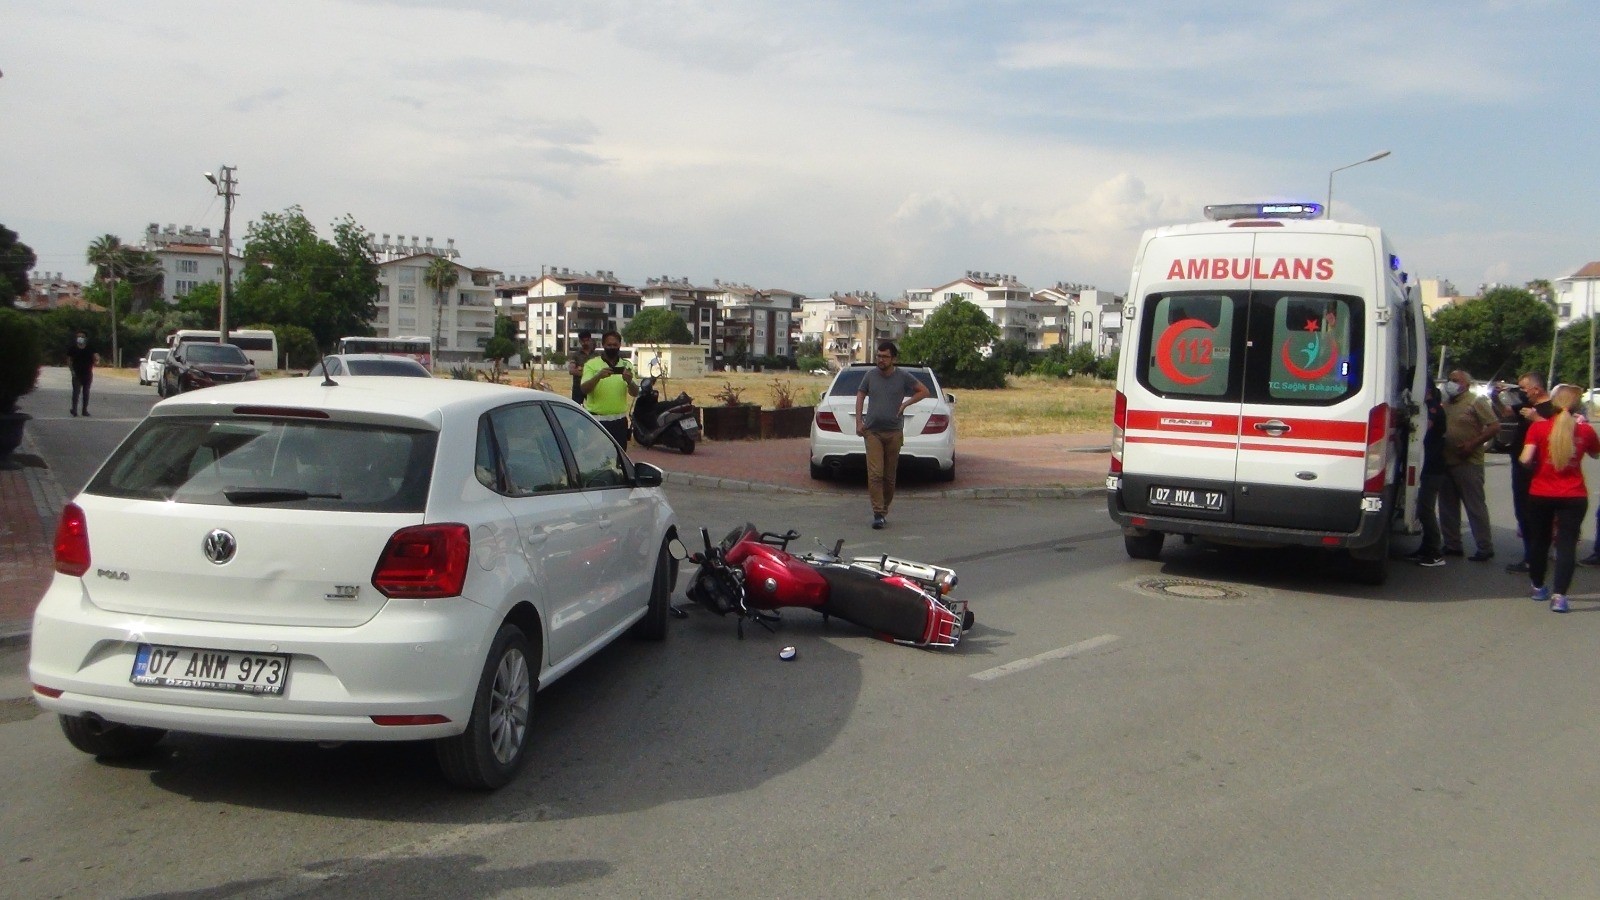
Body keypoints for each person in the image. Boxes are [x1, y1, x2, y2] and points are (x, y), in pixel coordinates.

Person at [1518, 384, 1600, 613]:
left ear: (1554, 404)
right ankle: (1560, 596)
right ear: (1578, 405)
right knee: (1566, 545)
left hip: (1541, 492)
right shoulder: (1585, 431)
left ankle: (1537, 586)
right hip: (1573, 494)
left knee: (1539, 541)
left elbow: (1525, 459)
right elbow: (1595, 453)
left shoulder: (1539, 428)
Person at [854, 341, 929, 529]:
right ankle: (878, 512)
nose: (880, 360)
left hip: (894, 432)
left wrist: (905, 404)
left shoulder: (903, 376)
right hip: (872, 432)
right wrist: (859, 422)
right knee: (875, 473)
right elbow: (861, 395)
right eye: (878, 356)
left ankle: (884, 508)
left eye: (885, 356)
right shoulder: (870, 376)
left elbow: (924, 391)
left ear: (893, 358)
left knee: (889, 476)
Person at [1438, 369, 1500, 561]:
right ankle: (1452, 544)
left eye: (1456, 380)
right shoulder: (1447, 404)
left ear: (1466, 383)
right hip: (1446, 460)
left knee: (1475, 507)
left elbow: (1494, 426)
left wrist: (1472, 444)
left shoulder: (1475, 401)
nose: (1451, 383)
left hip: (1468, 461)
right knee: (1447, 507)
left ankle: (1484, 546)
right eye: (1450, 380)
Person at [1501, 372, 1553, 574]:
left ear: (1536, 389)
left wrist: (1537, 419)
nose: (1521, 393)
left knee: (1532, 514)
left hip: (1535, 469)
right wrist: (1501, 396)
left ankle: (1534, 558)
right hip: (1521, 466)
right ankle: (1531, 555)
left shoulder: (1549, 410)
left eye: (1523, 389)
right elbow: (1505, 411)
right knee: (1523, 513)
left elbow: (1555, 434)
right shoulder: (1527, 407)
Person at [1403, 382, 1448, 566]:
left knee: (1425, 509)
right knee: (1422, 508)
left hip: (1433, 466)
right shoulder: (1429, 407)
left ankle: (1435, 552)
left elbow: (1424, 427)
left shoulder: (1433, 408)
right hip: (1428, 464)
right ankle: (1425, 548)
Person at [581, 330, 638, 448]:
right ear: (603, 345)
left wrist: (629, 381)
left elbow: (635, 392)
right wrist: (598, 377)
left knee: (619, 459)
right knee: (596, 459)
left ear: (619, 345)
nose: (612, 347)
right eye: (609, 345)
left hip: (619, 422)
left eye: (615, 345)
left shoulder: (627, 365)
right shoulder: (591, 364)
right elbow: (584, 389)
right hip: (597, 421)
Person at [64, 331, 99, 417]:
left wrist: (96, 359)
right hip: (76, 373)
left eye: (82, 336)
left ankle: (84, 410)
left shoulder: (90, 348)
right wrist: (71, 370)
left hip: (87, 373)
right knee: (76, 392)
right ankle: (74, 409)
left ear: (85, 338)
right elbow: (69, 360)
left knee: (86, 392)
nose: (80, 338)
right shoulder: (72, 348)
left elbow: (96, 357)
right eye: (78, 336)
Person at [567, 330, 597, 404]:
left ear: (590, 340)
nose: (585, 343)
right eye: (583, 341)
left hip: (592, 387)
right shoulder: (576, 355)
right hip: (578, 387)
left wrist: (581, 369)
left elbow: (599, 371)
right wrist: (590, 372)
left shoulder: (596, 355)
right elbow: (571, 371)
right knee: (576, 408)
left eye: (587, 340)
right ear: (580, 341)